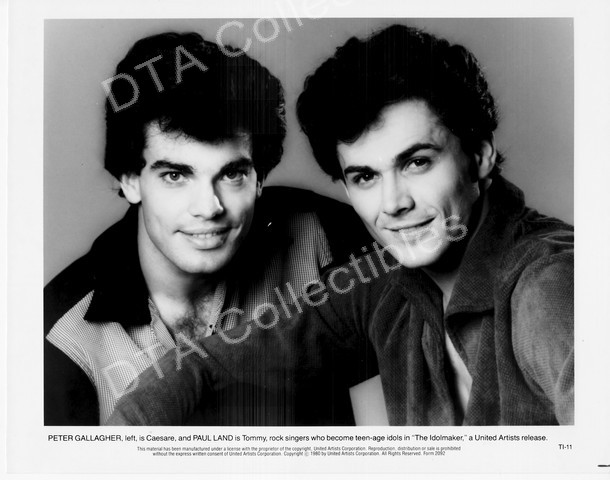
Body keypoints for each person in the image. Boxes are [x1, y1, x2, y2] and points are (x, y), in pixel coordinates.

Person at [106, 24, 574, 426]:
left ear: (479, 156)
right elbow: (210, 366)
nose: (394, 203)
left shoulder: (549, 285)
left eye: (416, 162)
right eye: (366, 177)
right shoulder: (381, 283)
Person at [44, 31, 372, 426]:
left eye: (232, 174)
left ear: (260, 179)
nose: (208, 208)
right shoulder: (61, 331)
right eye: (176, 176)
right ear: (130, 180)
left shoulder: (327, 238)